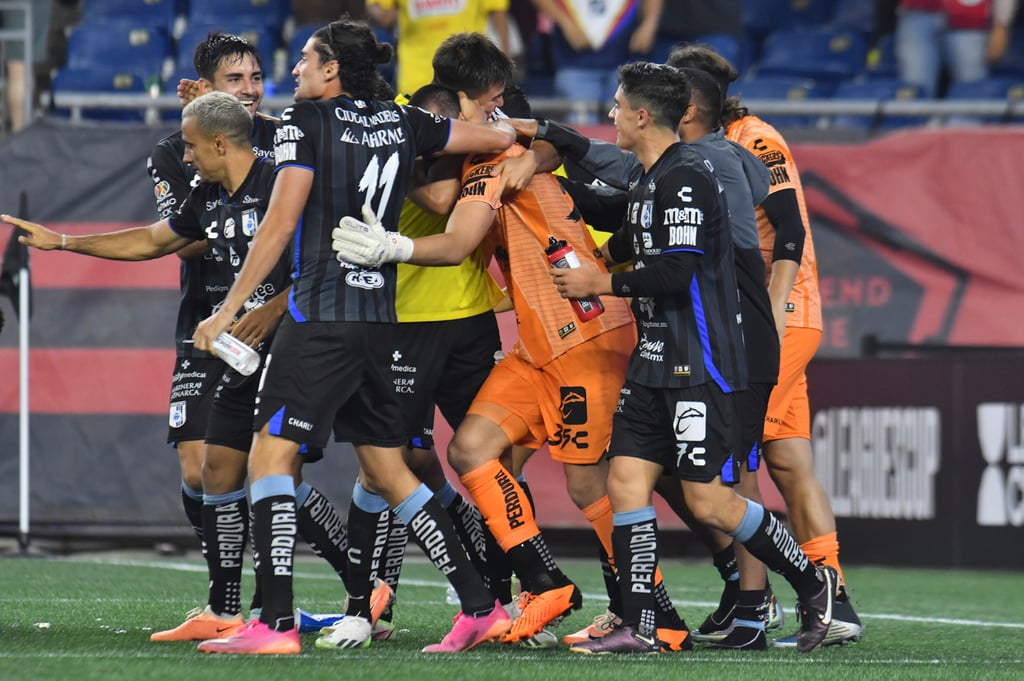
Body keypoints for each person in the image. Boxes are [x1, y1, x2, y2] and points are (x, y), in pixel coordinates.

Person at [189, 18, 517, 655]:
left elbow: (281, 223)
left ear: (333, 67)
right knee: (387, 468)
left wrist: (227, 309)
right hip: (380, 315)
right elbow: (497, 134)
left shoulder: (303, 124)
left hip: (322, 317)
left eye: (306, 58)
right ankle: (480, 606)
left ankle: (274, 623)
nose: (294, 70)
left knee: (270, 456)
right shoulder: (405, 122)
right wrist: (533, 136)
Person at [541, 61, 836, 655]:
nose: (611, 115)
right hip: (654, 358)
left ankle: (813, 581)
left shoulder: (688, 177)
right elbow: (625, 234)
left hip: (701, 362)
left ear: (643, 115)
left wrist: (600, 283)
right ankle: (641, 627)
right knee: (626, 480)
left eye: (618, 105)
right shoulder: (652, 178)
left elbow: (677, 273)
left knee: (709, 500)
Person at [146, 32, 371, 642]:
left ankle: (322, 594)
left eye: (255, 78)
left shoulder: (285, 136)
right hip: (207, 319)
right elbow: (179, 235)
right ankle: (234, 599)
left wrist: (272, 300)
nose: (249, 89)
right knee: (206, 471)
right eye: (234, 81)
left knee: (283, 472)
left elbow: (296, 224)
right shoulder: (176, 152)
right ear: (205, 97)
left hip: (281, 319)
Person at [666, 43, 864, 647]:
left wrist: (770, 318)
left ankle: (755, 605)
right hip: (762, 318)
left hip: (780, 318)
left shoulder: (756, 140)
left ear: (693, 105)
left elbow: (791, 226)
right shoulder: (705, 146)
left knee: (737, 460)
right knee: (787, 461)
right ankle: (837, 602)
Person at [528, 0, 661, 122]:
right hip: (574, 61)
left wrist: (649, 23)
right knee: (580, 133)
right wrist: (565, 23)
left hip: (625, 59)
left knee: (628, 127)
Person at [367, 0, 511, 96]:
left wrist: (504, 63)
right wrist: (378, 9)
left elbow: (498, 12)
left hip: (468, 74)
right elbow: (383, 13)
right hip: (416, 78)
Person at [895, 0, 1018, 98]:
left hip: (968, 16)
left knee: (972, 91)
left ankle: (968, 128)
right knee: (914, 90)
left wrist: (1001, 24)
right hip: (917, 13)